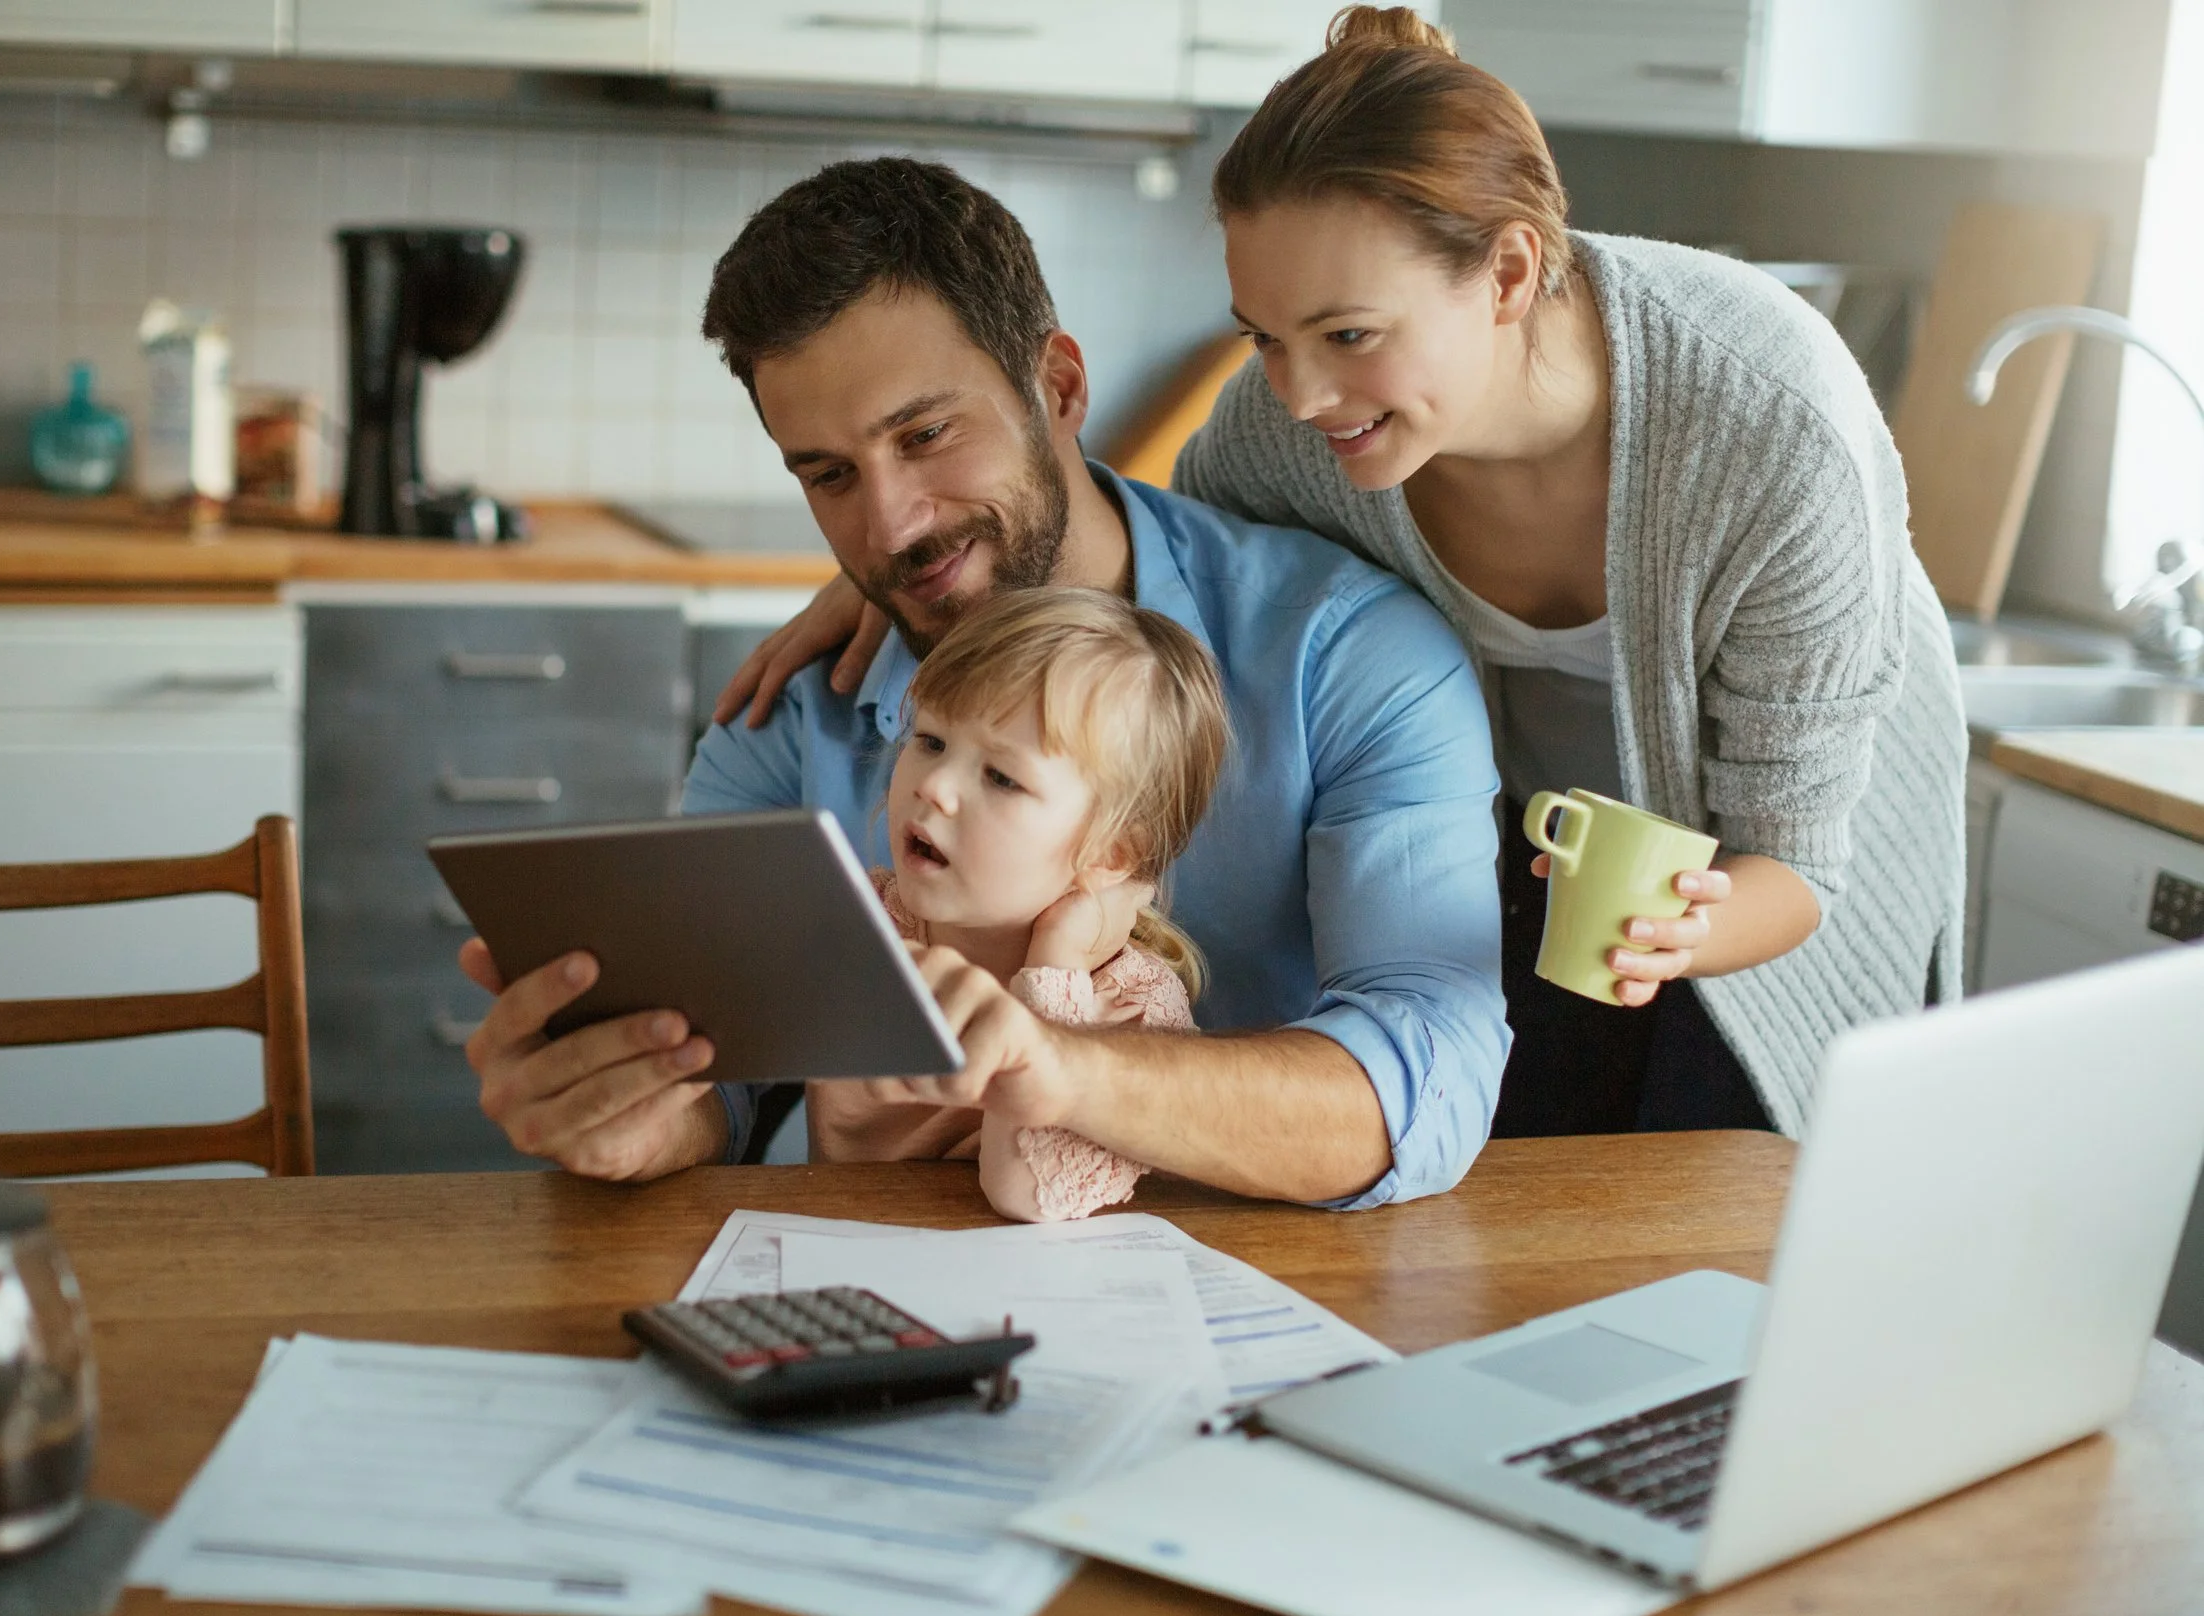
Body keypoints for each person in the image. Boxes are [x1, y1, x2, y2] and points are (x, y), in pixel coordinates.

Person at [727, 13, 1970, 1140]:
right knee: (1531, 1176)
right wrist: (912, 565)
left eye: (1348, 337)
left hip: (1770, 868)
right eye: (1265, 337)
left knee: (1740, 1178)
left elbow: (1798, 858)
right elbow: (1158, 583)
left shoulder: (1766, 422)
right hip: (1546, 853)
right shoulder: (1289, 430)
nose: (1301, 391)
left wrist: (1683, 928)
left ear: (1508, 276)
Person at [460, 155, 1511, 1207]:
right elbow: (718, 1073)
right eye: (828, 473)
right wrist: (639, 1113)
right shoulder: (788, 712)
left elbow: (1429, 1076)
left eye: (925, 435)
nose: (889, 526)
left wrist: (1060, 1070)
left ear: (1056, 386)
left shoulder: (1350, 656)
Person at [818, 587, 1230, 1222]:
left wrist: (1053, 972)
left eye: (1001, 777)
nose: (934, 786)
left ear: (1112, 853)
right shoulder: (866, 924)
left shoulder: (1132, 1006)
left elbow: (1024, 1194)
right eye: (929, 740)